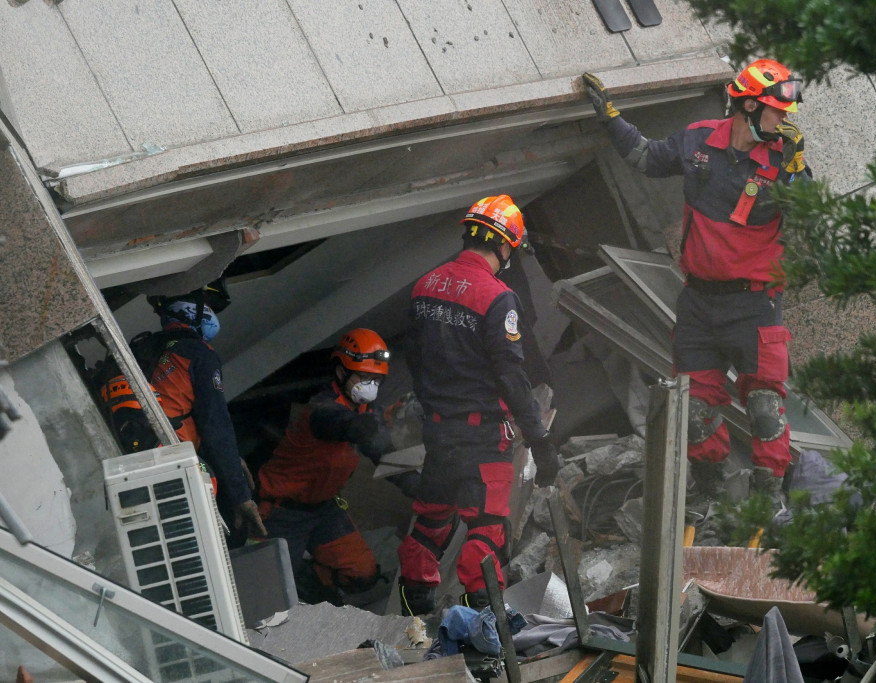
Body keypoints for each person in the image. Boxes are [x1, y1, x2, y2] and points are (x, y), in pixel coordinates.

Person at [581, 60, 811, 514]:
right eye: (776, 110)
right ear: (748, 107)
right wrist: (611, 119)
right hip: (700, 303)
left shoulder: (785, 158)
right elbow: (646, 157)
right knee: (697, 415)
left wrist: (799, 169)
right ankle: (711, 505)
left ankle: (768, 514)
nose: (785, 119)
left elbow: (810, 214)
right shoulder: (700, 138)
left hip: (755, 304)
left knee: (765, 410)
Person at [397, 194, 561, 616]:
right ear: (505, 244)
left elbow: (413, 356)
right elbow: (511, 376)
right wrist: (540, 439)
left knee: (432, 522)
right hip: (481, 436)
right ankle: (484, 630)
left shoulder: (424, 286)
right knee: (487, 531)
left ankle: (413, 620)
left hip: (437, 431)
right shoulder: (497, 298)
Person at [256, 329, 417, 605]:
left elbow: (383, 455)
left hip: (323, 510)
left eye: (376, 379)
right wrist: (366, 426)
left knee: (363, 573)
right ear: (341, 372)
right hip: (281, 512)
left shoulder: (364, 411)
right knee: (271, 593)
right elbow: (337, 423)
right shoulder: (322, 409)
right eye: (364, 377)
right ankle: (297, 583)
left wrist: (421, 487)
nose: (371, 386)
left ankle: (312, 579)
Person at [145, 279, 267, 540]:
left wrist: (232, 459)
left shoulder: (146, 346)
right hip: (172, 459)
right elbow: (215, 425)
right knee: (222, 530)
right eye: (210, 306)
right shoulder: (199, 353)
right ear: (191, 306)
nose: (213, 315)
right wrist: (240, 497)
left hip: (141, 451)